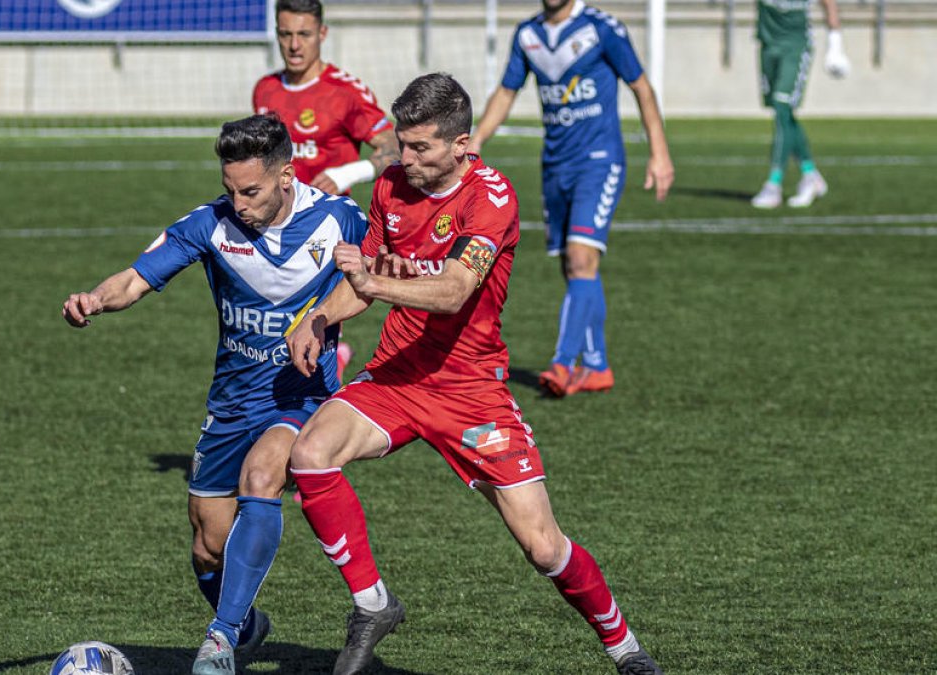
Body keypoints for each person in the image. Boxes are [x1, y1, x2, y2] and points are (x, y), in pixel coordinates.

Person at [285, 73, 664, 675]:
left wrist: (373, 284)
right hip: (398, 376)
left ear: (462, 144)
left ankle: (624, 647)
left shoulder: (491, 197)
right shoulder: (389, 186)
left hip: (470, 391)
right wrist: (319, 319)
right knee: (310, 454)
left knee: (542, 545)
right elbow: (364, 282)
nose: (403, 158)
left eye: (420, 148)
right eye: (402, 145)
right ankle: (373, 603)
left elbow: (455, 291)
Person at [61, 115, 367, 675]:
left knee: (262, 477)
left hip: (302, 397)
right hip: (230, 403)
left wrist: (328, 317)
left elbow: (378, 275)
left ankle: (220, 640)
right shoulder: (210, 224)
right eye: (231, 189)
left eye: (250, 191)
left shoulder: (340, 219)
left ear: (286, 176)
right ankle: (247, 627)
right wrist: (95, 299)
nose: (240, 203)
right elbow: (135, 278)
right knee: (207, 544)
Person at [468, 0, 674, 397]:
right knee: (573, 264)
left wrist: (660, 154)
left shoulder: (603, 28)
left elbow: (642, 88)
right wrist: (478, 139)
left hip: (599, 161)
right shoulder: (528, 35)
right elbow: (507, 92)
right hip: (555, 166)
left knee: (581, 259)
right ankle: (597, 366)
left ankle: (563, 364)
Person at [254, 0, 401, 379]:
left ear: (322, 34)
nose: (294, 45)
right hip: (275, 228)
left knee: (310, 337)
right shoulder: (266, 90)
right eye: (285, 34)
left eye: (303, 34)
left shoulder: (345, 93)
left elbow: (393, 148)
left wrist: (348, 171)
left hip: (327, 231)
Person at [749, 0, 850, 208]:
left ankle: (774, 184)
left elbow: (828, 2)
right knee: (782, 113)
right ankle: (810, 174)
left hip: (794, 47)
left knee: (782, 107)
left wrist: (835, 43)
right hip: (768, 45)